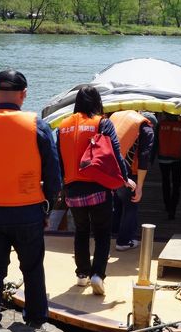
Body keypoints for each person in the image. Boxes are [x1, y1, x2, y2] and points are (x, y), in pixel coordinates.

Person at [0, 70, 61, 326]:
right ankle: (36, 319)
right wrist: (47, 210)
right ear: (24, 94)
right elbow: (54, 176)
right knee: (32, 269)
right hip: (28, 211)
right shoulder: (36, 125)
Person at [57, 86, 134, 295]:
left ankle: (82, 274)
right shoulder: (102, 123)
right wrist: (125, 179)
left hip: (72, 191)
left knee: (81, 231)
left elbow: (59, 160)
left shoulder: (63, 126)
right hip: (98, 188)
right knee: (102, 233)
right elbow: (115, 154)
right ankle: (98, 275)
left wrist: (62, 187)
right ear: (97, 102)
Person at [109, 110, 154, 251]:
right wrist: (139, 187)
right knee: (131, 206)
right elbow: (144, 157)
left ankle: (114, 231)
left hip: (110, 170)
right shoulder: (147, 130)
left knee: (118, 201)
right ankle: (123, 241)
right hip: (128, 174)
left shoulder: (119, 118)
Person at [153, 112, 181, 220]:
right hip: (177, 159)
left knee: (165, 182)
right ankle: (172, 210)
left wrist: (150, 159)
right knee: (176, 185)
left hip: (162, 158)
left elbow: (155, 142)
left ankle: (167, 205)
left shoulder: (160, 125)